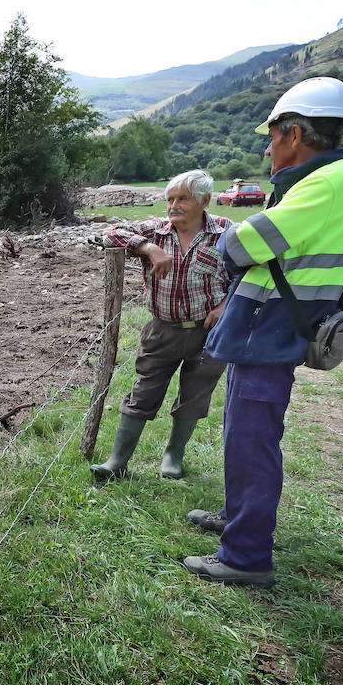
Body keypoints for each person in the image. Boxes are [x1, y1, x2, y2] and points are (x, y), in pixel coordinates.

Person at [182, 77, 343, 587]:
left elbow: (241, 246)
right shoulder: (327, 178)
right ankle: (236, 517)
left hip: (272, 328)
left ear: (293, 133)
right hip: (265, 328)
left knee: (253, 440)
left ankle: (245, 556)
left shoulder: (330, 181)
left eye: (271, 137)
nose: (267, 147)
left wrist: (234, 238)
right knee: (240, 432)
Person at [92, 170, 232, 481]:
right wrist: (149, 248)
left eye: (182, 198)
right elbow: (109, 233)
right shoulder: (156, 231)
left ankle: (173, 455)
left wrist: (225, 306)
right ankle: (117, 462)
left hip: (208, 332)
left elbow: (248, 274)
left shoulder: (225, 232)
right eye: (170, 199)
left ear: (204, 200)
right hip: (162, 330)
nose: (174, 205)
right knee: (144, 391)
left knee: (195, 395)